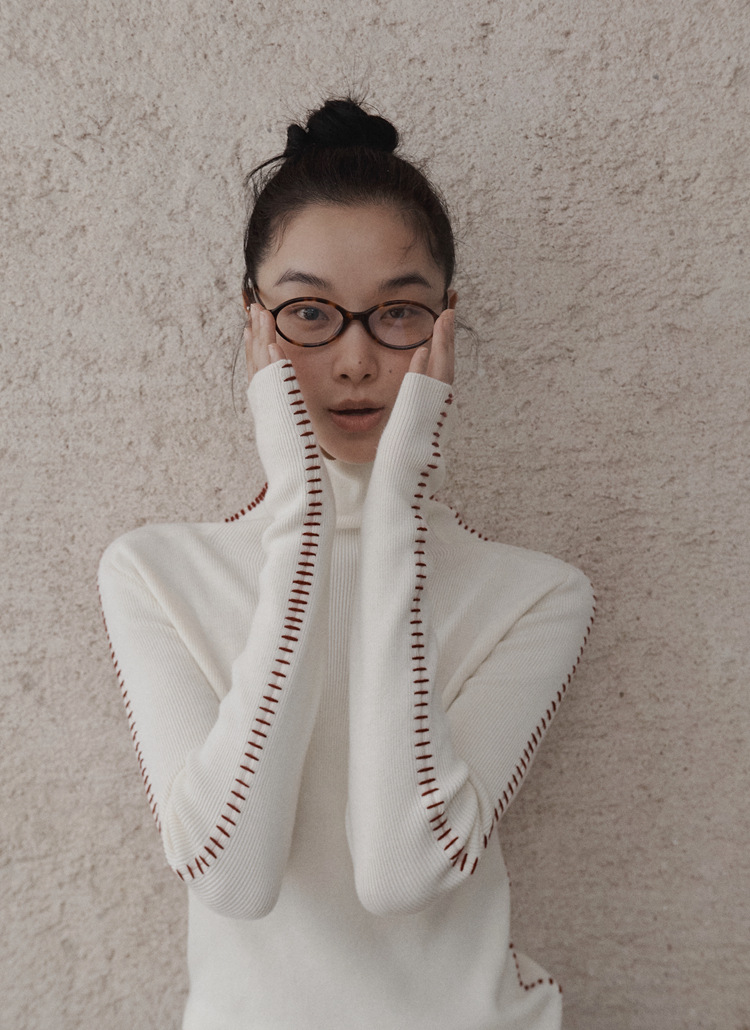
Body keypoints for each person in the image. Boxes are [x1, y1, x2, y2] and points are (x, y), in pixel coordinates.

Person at [97, 97, 595, 1030]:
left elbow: (404, 872)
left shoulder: (536, 596)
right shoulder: (153, 575)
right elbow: (231, 876)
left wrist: (393, 505)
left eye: (398, 313)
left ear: (446, 326)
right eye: (309, 314)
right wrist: (304, 509)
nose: (356, 360)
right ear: (254, 325)